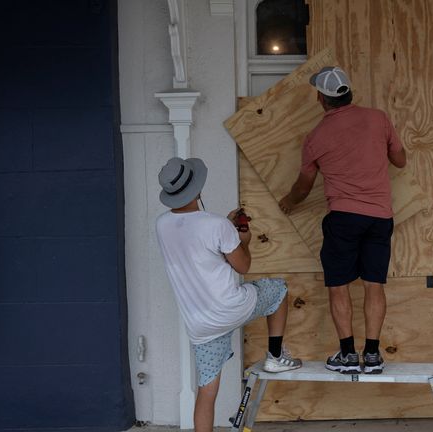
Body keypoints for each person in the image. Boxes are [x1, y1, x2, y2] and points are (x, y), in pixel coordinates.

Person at [155, 157, 301, 432]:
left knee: (207, 392)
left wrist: (227, 226)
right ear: (197, 189)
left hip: (201, 325)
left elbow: (195, 238)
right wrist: (243, 241)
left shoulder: (161, 225)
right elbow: (244, 266)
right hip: (232, 308)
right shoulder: (217, 226)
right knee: (279, 290)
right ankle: (275, 355)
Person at [278, 66, 407, 374]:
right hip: (380, 217)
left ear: (321, 99)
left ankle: (348, 355)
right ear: (349, 93)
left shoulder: (315, 138)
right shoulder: (378, 119)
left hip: (343, 219)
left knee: (339, 286)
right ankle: (373, 355)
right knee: (374, 285)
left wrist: (288, 202)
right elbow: (400, 160)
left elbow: (304, 186)